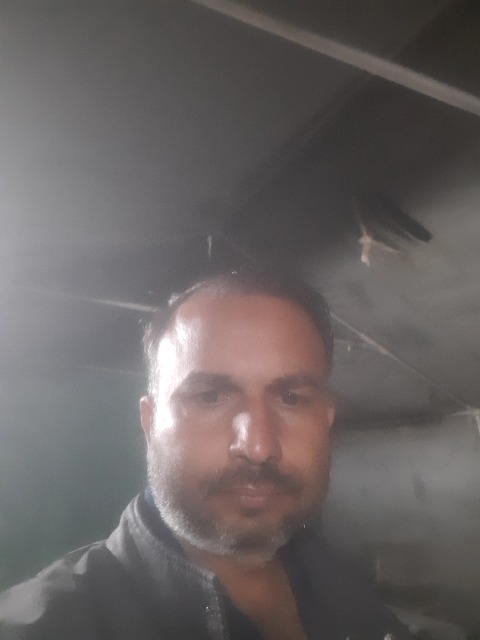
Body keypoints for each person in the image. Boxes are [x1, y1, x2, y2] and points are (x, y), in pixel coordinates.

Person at [0, 269, 411, 640]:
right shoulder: (47, 626)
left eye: (291, 398)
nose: (258, 446)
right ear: (150, 422)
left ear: (326, 419)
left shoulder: (344, 582)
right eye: (210, 397)